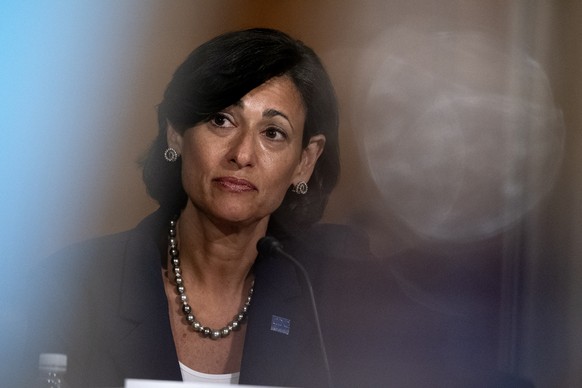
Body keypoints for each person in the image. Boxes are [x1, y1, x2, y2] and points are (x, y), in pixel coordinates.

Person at [18, 28, 534, 388]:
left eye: (273, 132)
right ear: (176, 132)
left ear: (305, 162)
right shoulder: (72, 288)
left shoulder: (331, 289)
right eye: (221, 120)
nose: (242, 153)